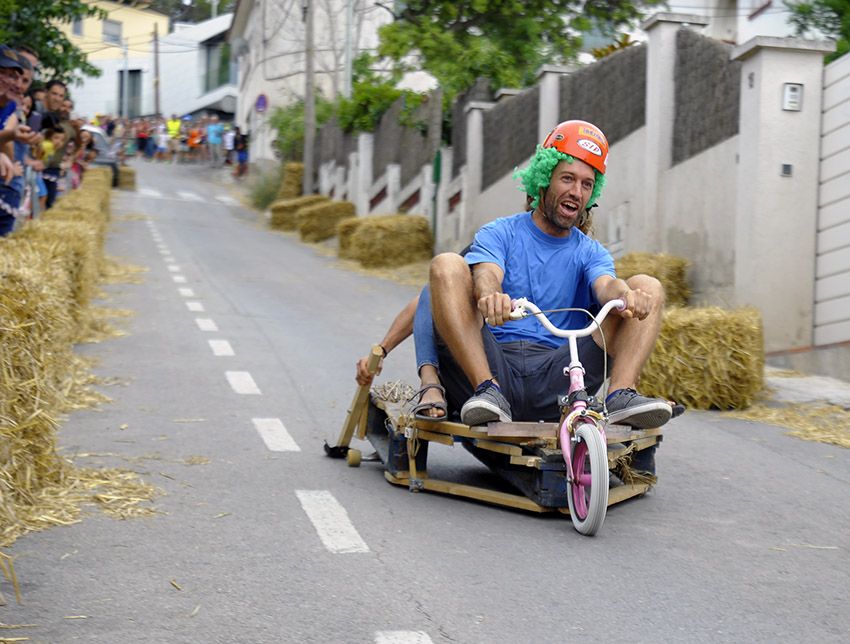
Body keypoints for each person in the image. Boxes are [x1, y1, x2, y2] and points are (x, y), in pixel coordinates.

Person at [428, 120, 673, 436]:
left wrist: (626, 294)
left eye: (587, 184)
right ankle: (487, 389)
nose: (576, 192)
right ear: (543, 179)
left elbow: (606, 285)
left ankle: (620, 395)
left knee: (649, 285)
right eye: (567, 178)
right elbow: (487, 273)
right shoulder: (500, 232)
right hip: (496, 366)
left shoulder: (590, 251)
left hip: (563, 374)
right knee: (447, 264)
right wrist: (490, 295)